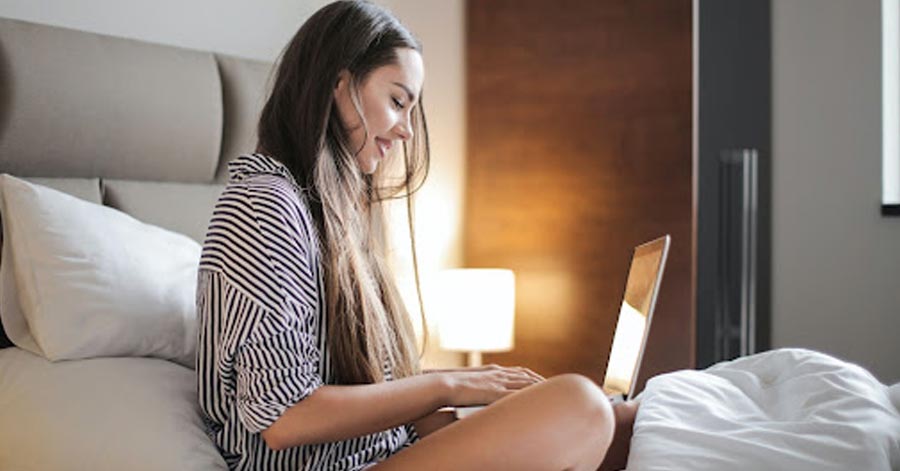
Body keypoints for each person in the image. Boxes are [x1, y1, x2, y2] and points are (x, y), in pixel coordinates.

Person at [196, 1, 637, 469]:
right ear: (339, 85)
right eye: (397, 101)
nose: (406, 130)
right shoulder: (264, 207)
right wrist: (447, 385)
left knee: (626, 419)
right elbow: (284, 417)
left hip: (389, 454)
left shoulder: (336, 216)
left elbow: (373, 385)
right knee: (580, 405)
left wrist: (485, 404)